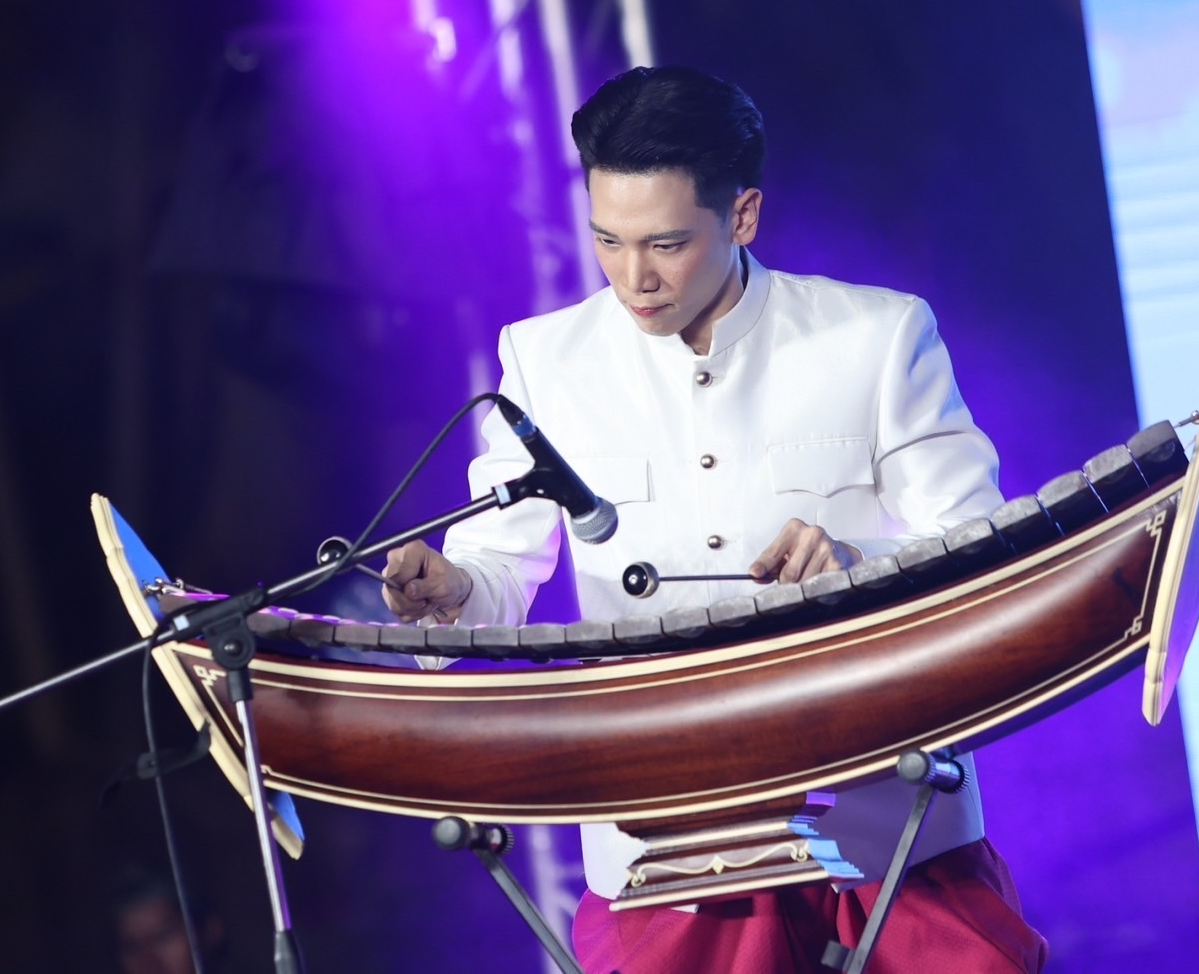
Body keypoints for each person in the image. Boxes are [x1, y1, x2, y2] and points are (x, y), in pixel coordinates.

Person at [381, 66, 1048, 973]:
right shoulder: (546, 360)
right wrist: (454, 590)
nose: (634, 278)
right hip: (666, 844)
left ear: (742, 216)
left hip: (886, 816)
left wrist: (857, 559)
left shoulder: (876, 335)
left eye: (665, 244)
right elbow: (498, 572)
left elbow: (985, 557)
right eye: (607, 241)